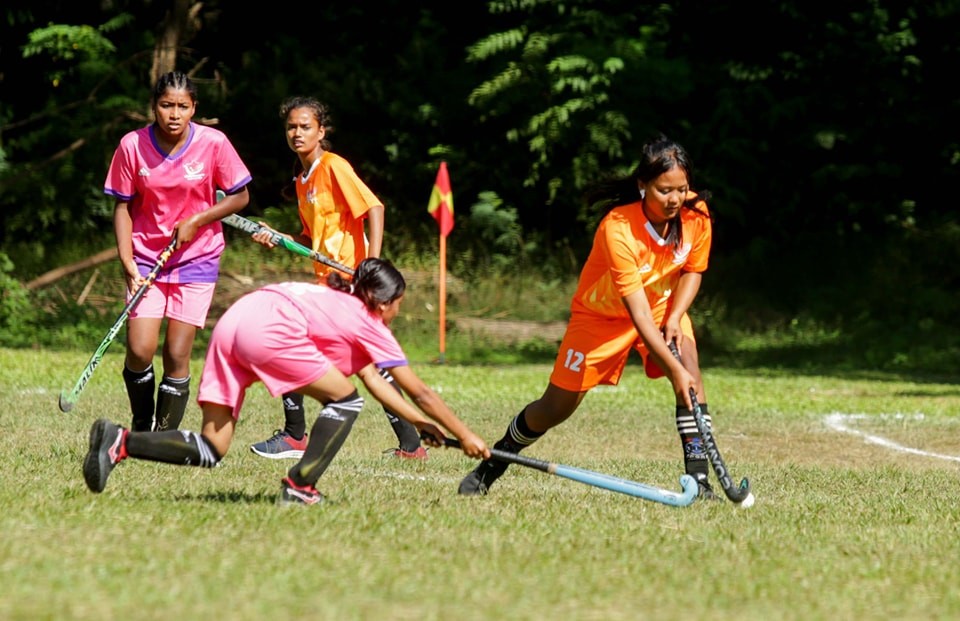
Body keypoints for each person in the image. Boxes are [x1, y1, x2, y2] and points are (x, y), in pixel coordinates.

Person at [82, 258, 490, 505]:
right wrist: (466, 435)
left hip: (236, 321)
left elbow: (373, 378)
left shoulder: (337, 301)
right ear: (384, 304)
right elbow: (419, 391)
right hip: (270, 330)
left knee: (212, 447)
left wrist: (420, 424)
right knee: (345, 401)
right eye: (399, 304)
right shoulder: (369, 321)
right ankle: (300, 486)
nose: (397, 311)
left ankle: (120, 442)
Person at [458, 135, 719, 499]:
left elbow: (693, 270)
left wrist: (676, 316)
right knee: (555, 408)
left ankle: (700, 481)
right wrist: (673, 369)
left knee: (690, 370)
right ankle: (496, 461)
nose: (674, 199)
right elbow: (638, 314)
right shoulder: (618, 227)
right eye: (664, 190)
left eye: (681, 189)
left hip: (662, 307)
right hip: (602, 317)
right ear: (642, 186)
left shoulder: (696, 212)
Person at [246, 96, 426, 461]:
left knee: (290, 340)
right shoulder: (303, 180)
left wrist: (371, 265)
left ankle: (295, 436)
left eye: (305, 127)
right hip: (328, 283)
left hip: (349, 284)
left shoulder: (333, 166)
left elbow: (374, 207)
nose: (297, 133)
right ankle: (411, 446)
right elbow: (310, 239)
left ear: (321, 131)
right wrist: (280, 237)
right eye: (291, 127)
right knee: (367, 361)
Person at [104, 70, 252, 433]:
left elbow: (240, 196)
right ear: (154, 106)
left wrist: (198, 220)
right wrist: (126, 259)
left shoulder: (214, 143)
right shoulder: (132, 145)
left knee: (176, 353)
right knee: (140, 349)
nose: (174, 114)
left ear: (194, 108)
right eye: (166, 105)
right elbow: (122, 206)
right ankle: (142, 425)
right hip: (146, 259)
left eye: (182, 106)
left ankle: (164, 436)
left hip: (197, 258)